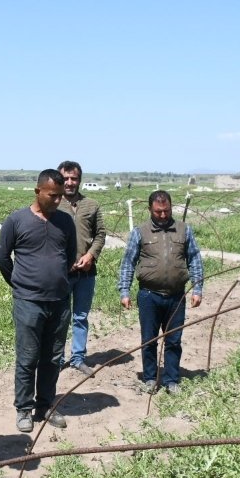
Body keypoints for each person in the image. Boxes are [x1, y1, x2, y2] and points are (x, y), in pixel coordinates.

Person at [0, 169, 77, 433]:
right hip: (28, 302)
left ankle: (46, 405)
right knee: (28, 357)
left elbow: (70, 256)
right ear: (37, 191)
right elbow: (2, 258)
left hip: (59, 301)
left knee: (53, 357)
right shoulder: (17, 220)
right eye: (52, 195)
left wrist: (56, 282)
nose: (57, 201)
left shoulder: (65, 222)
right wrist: (20, 284)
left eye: (60, 196)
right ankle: (23, 409)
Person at [117, 190, 203, 394]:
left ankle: (172, 379)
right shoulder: (140, 232)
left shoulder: (184, 230)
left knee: (174, 340)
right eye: (158, 212)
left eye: (166, 211)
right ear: (149, 210)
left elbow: (195, 259)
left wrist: (198, 288)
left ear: (171, 207)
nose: (163, 215)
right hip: (149, 296)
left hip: (176, 296)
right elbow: (128, 262)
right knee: (149, 340)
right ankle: (150, 378)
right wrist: (124, 291)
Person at [57, 160, 106, 377]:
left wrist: (90, 255)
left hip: (86, 272)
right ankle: (56, 359)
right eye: (66, 178)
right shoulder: (53, 204)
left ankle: (78, 358)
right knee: (59, 317)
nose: (69, 182)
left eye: (73, 178)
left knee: (80, 316)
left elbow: (100, 234)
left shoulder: (91, 205)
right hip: (60, 273)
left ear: (80, 180)